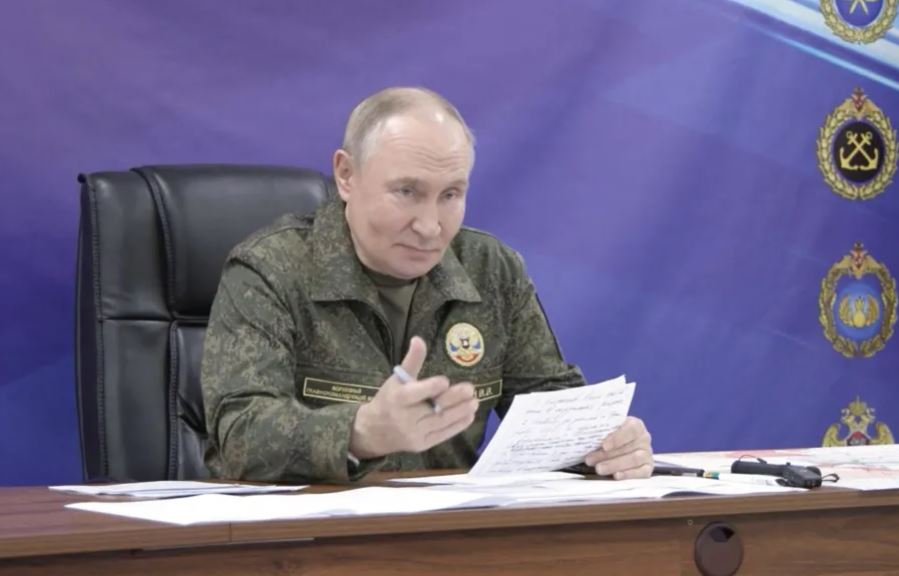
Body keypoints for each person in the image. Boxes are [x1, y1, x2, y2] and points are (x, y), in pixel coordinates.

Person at [201, 87, 652, 483]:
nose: (430, 226)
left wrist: (604, 443)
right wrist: (361, 432)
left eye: (450, 195)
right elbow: (240, 435)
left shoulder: (491, 269)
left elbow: (549, 405)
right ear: (346, 175)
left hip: (448, 535)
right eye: (407, 192)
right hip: (310, 537)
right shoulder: (271, 269)